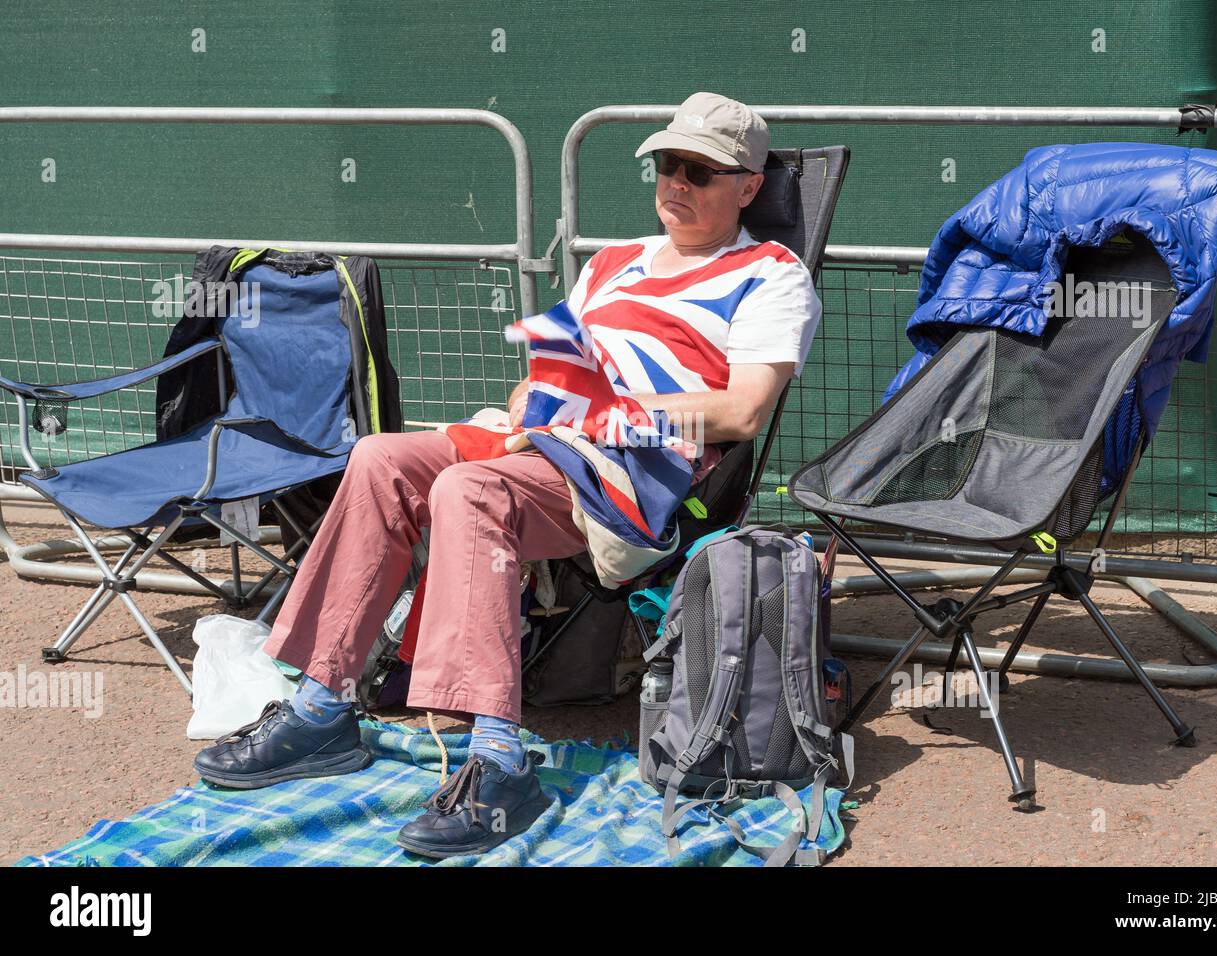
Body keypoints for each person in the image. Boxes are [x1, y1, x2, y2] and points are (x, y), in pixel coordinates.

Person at [192, 91, 823, 859]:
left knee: (468, 490)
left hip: (635, 476)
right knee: (380, 458)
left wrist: (607, 414)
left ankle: (498, 761)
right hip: (543, 444)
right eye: (665, 164)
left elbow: (744, 411)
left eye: (700, 170)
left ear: (750, 186)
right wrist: (535, 397)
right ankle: (323, 707)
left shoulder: (770, 273)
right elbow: (553, 365)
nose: (676, 183)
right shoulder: (613, 263)